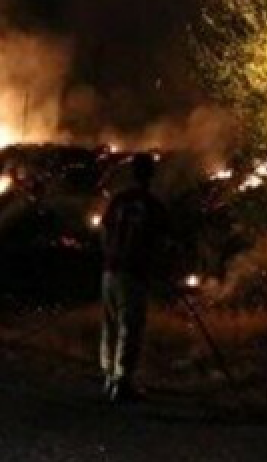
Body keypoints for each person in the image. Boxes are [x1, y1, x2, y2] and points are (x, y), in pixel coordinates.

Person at [100, 153, 169, 404]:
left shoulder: (119, 201)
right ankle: (122, 382)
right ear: (150, 175)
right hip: (134, 273)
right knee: (130, 328)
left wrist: (110, 256)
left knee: (110, 325)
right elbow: (161, 241)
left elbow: (105, 231)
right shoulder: (152, 205)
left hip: (110, 271)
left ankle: (109, 376)